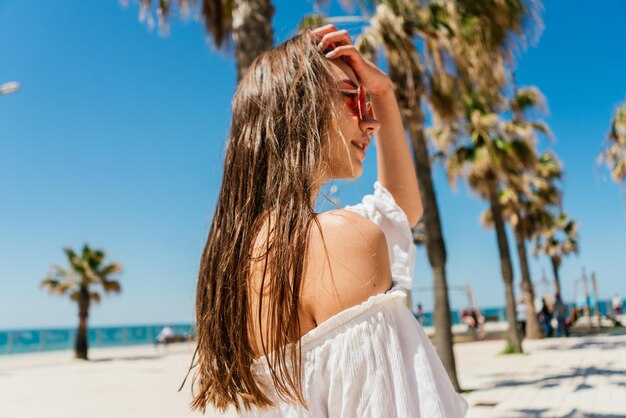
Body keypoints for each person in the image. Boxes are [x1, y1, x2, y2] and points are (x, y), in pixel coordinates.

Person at [184, 25, 468, 417]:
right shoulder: (340, 241)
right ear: (299, 105)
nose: (370, 122)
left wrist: (382, 92)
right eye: (353, 97)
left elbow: (398, 209)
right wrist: (383, 93)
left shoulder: (228, 267)